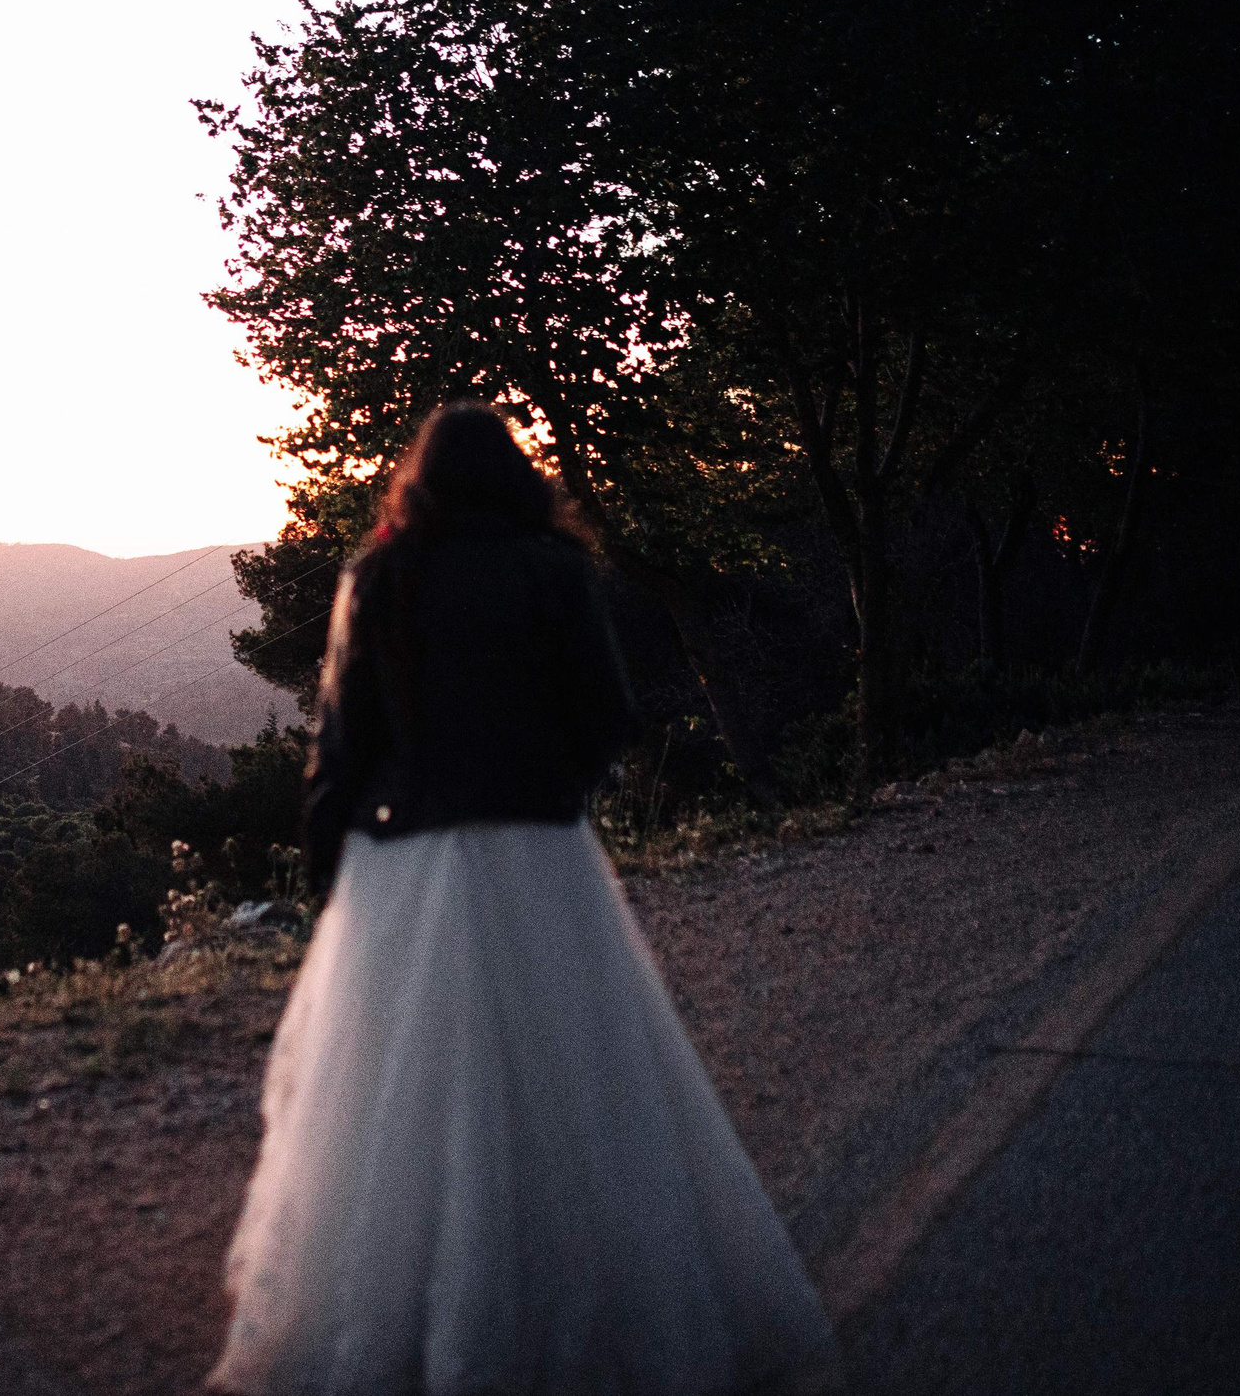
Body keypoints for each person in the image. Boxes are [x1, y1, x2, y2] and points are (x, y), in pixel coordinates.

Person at [210, 403, 838, 1394]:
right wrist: (556, 793)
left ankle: (407, 1313)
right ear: (515, 476)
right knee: (573, 1071)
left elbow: (343, 743)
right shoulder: (556, 571)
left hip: (409, 853)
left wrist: (329, 874)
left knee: (403, 1092)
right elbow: (607, 715)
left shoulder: (383, 577)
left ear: (416, 483)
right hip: (542, 848)